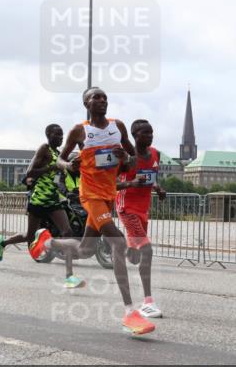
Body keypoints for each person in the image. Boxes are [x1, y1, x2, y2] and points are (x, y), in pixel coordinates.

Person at [33, 87, 155, 336]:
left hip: (109, 194)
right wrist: (69, 165)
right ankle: (130, 312)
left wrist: (125, 156)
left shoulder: (117, 126)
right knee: (118, 243)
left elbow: (133, 160)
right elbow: (60, 160)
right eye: (96, 98)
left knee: (85, 250)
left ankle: (47, 240)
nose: (102, 100)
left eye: (104, 97)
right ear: (86, 104)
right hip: (90, 195)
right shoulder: (79, 131)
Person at [0, 124, 83, 287]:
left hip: (53, 200)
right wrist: (51, 168)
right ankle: (3, 243)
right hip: (39, 200)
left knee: (67, 232)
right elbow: (30, 172)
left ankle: (69, 276)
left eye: (62, 135)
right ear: (48, 135)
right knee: (29, 236)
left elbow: (61, 175)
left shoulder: (58, 153)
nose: (60, 138)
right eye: (57, 135)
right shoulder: (44, 149)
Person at [115, 119, 167, 318]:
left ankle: (127, 248)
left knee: (135, 257)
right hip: (127, 208)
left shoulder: (155, 154)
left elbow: (151, 177)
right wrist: (132, 183)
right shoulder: (126, 157)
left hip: (144, 208)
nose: (150, 136)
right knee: (147, 250)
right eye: (146, 133)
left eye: (152, 132)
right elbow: (111, 184)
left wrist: (158, 188)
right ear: (135, 136)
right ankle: (148, 302)